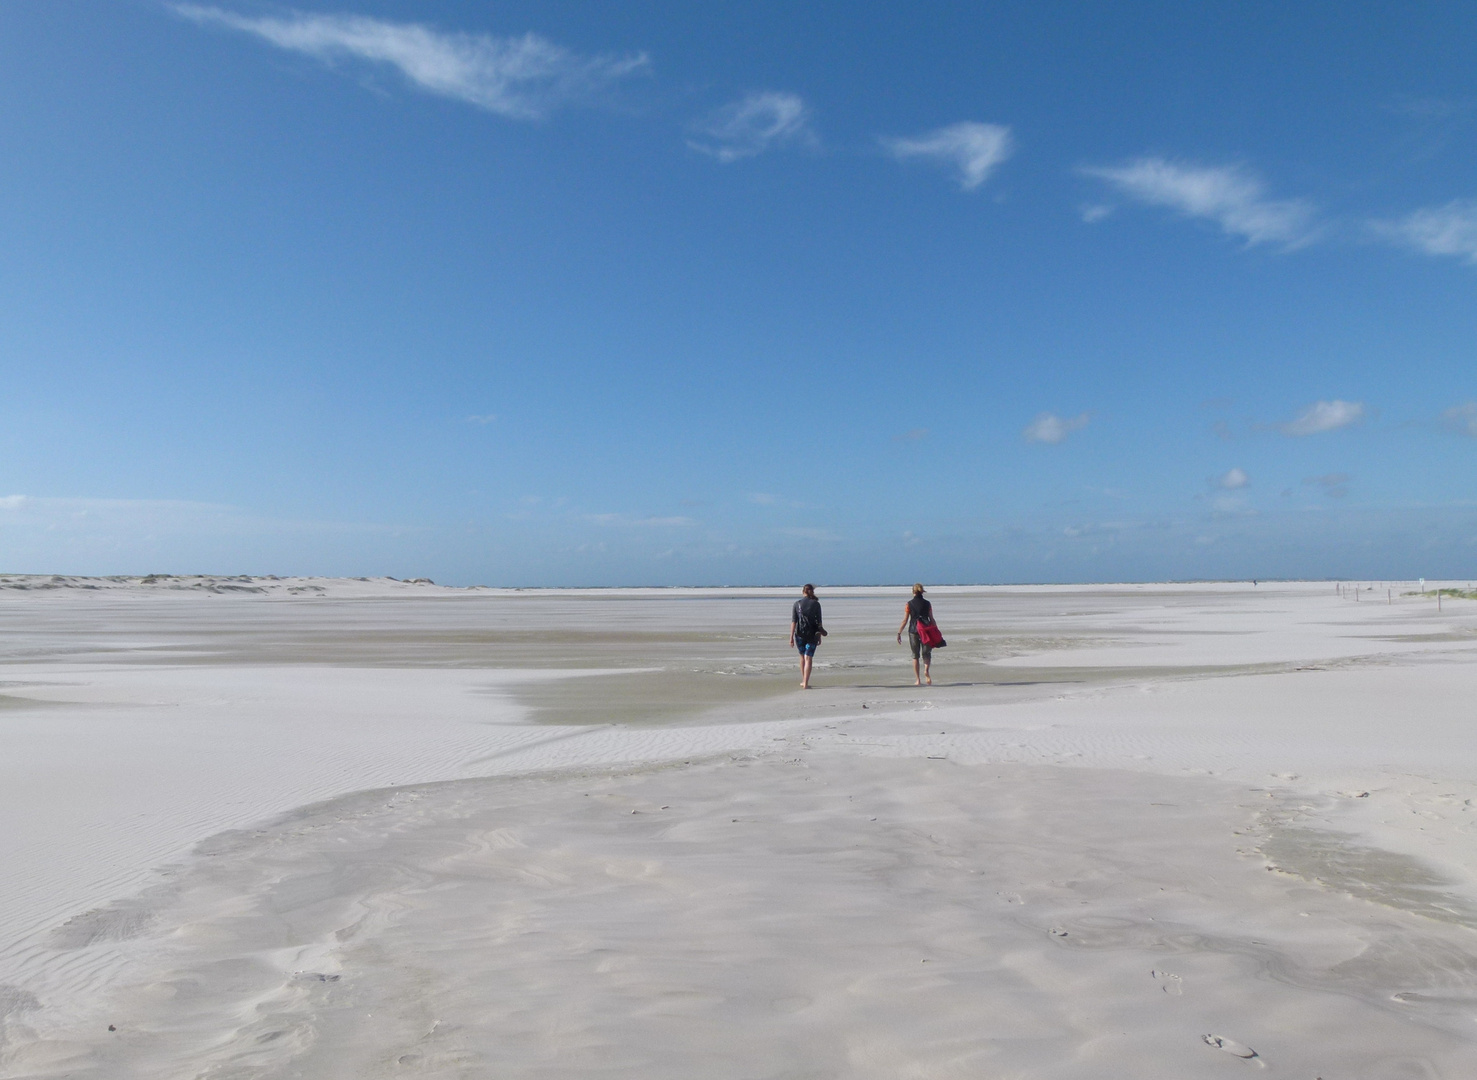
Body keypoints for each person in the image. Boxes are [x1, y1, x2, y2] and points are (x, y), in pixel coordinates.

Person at [896, 583, 934, 686]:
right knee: (926, 653)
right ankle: (926, 670)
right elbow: (931, 618)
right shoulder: (927, 604)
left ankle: (918, 679)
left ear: (913, 592)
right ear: (922, 591)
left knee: (915, 655)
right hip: (926, 629)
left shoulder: (909, 604)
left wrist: (899, 632)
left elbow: (905, 620)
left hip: (913, 630)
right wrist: (935, 630)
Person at [789, 583, 824, 689]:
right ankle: (806, 682)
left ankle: (803, 680)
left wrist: (791, 637)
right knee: (808, 658)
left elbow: (794, 622)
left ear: (803, 592)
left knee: (802, 657)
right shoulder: (816, 604)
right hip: (812, 635)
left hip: (799, 634)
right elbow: (819, 622)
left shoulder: (797, 604)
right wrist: (820, 636)